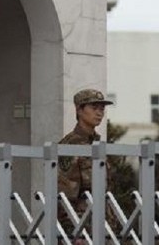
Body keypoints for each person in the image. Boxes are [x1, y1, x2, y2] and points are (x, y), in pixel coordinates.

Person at [57, 88, 113, 241]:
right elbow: (64, 196)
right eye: (94, 108)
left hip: (102, 226)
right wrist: (73, 233)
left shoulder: (97, 146)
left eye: (102, 109)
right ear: (79, 110)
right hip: (81, 229)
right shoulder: (70, 145)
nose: (99, 113)